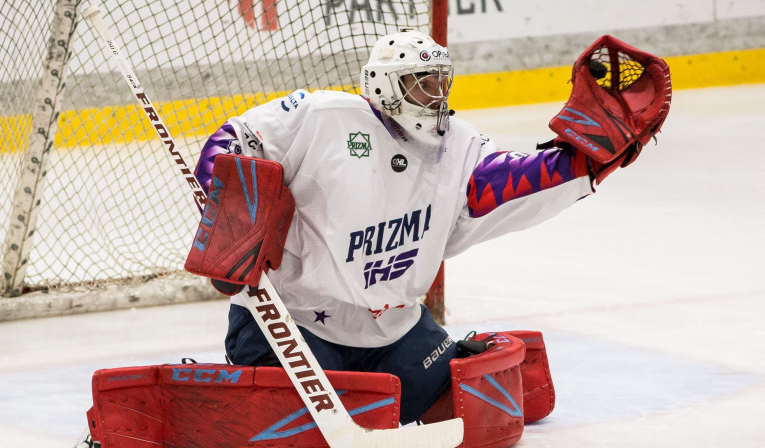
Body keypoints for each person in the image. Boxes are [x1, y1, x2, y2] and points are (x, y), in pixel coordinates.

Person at [190, 29, 666, 425]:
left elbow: (504, 183)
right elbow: (233, 139)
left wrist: (581, 160)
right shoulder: (320, 116)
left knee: (476, 423)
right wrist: (233, 213)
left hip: (394, 328)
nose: (434, 95)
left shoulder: (457, 145)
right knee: (293, 429)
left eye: (441, 82)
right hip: (294, 324)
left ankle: (448, 354)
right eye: (420, 83)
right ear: (382, 85)